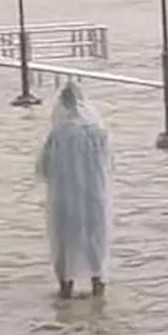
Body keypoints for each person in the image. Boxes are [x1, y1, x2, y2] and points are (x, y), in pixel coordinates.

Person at [36, 81, 113, 299]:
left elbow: (43, 169)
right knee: (96, 237)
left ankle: (66, 290)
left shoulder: (59, 134)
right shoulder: (99, 132)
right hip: (96, 197)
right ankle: (98, 284)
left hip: (64, 198)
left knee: (64, 240)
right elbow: (110, 164)